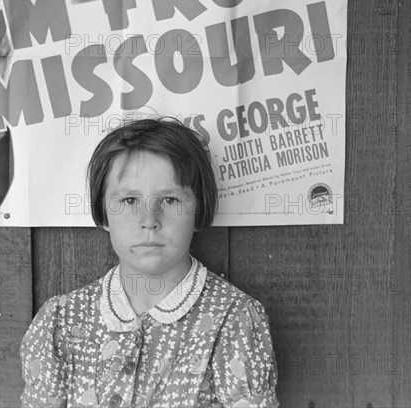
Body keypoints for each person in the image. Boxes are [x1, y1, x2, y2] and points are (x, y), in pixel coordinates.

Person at [20, 118, 279, 407]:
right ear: (103, 213)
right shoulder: (62, 321)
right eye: (130, 200)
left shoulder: (233, 320)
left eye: (169, 200)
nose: (149, 221)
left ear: (199, 210)